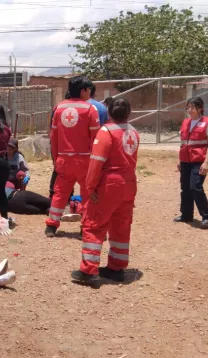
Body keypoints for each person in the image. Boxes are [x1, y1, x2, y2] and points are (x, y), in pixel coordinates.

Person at [71, 98, 139, 286]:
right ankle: (117, 267)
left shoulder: (106, 132)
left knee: (93, 225)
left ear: (109, 112)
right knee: (121, 226)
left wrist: (90, 187)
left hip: (110, 185)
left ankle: (88, 271)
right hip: (129, 183)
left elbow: (96, 162)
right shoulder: (133, 132)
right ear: (129, 113)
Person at [45, 76, 100, 238]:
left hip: (63, 159)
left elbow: (53, 137)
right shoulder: (90, 109)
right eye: (88, 89)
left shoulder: (59, 108)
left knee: (60, 194)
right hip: (85, 160)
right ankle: (85, 227)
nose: (90, 92)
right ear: (83, 90)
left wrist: (56, 159)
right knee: (87, 194)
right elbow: (96, 139)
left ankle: (52, 226)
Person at [174, 97, 208, 229]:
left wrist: (206, 163)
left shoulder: (207, 122)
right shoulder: (186, 122)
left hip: (199, 161)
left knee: (195, 187)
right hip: (185, 160)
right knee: (185, 188)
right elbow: (183, 143)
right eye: (188, 107)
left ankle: (207, 216)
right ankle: (186, 214)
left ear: (200, 108)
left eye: (192, 107)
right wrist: (179, 160)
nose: (189, 110)